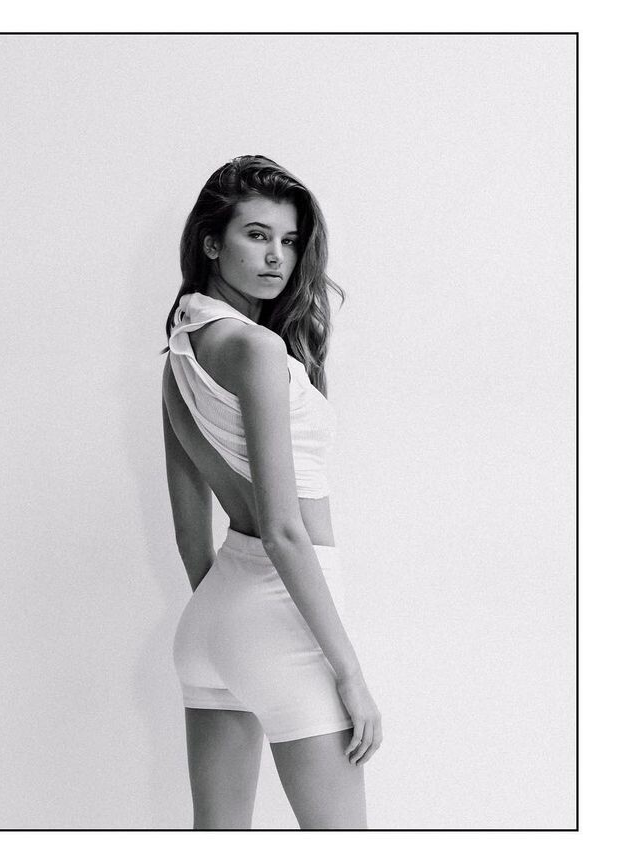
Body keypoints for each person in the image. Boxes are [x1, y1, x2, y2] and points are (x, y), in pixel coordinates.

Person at [160, 155, 381, 830]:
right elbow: (284, 530)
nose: (276, 256)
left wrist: (226, 614)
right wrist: (349, 673)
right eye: (256, 235)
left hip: (211, 620)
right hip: (283, 616)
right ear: (211, 242)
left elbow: (188, 522)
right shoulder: (255, 348)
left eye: (288, 240)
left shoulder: (180, 351)